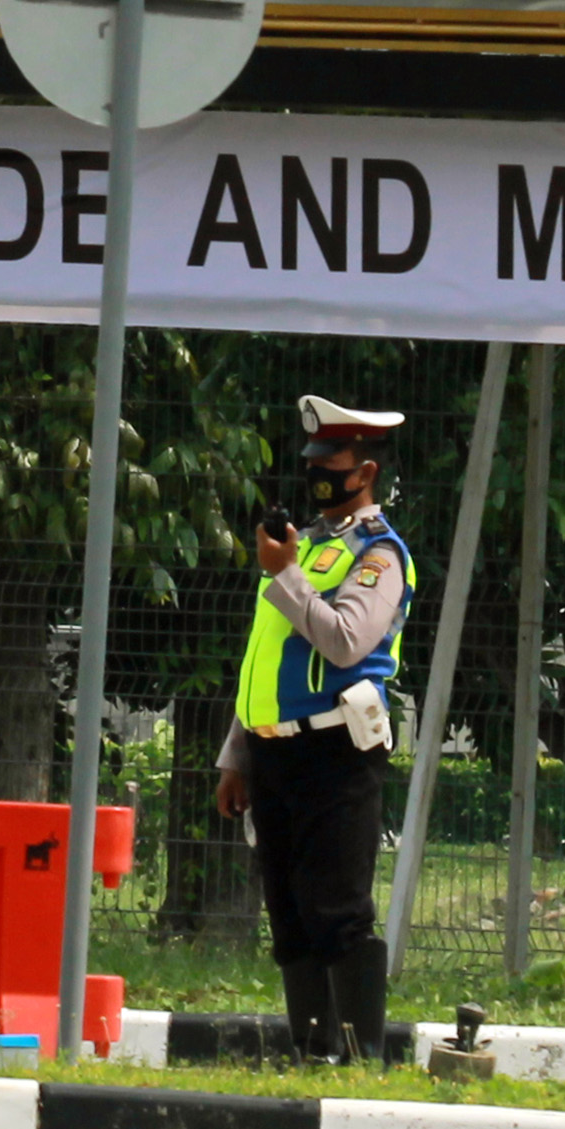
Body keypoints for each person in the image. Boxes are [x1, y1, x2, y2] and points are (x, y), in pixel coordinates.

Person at [211, 395, 417, 1062]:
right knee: (290, 909)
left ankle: (357, 1054)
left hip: (335, 750)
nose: (319, 474)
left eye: (333, 462)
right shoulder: (308, 546)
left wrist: (287, 575)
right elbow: (263, 660)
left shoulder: (378, 554)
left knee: (338, 907)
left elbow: (347, 639)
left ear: (366, 470)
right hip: (274, 754)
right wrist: (236, 755)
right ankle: (309, 1047)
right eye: (314, 462)